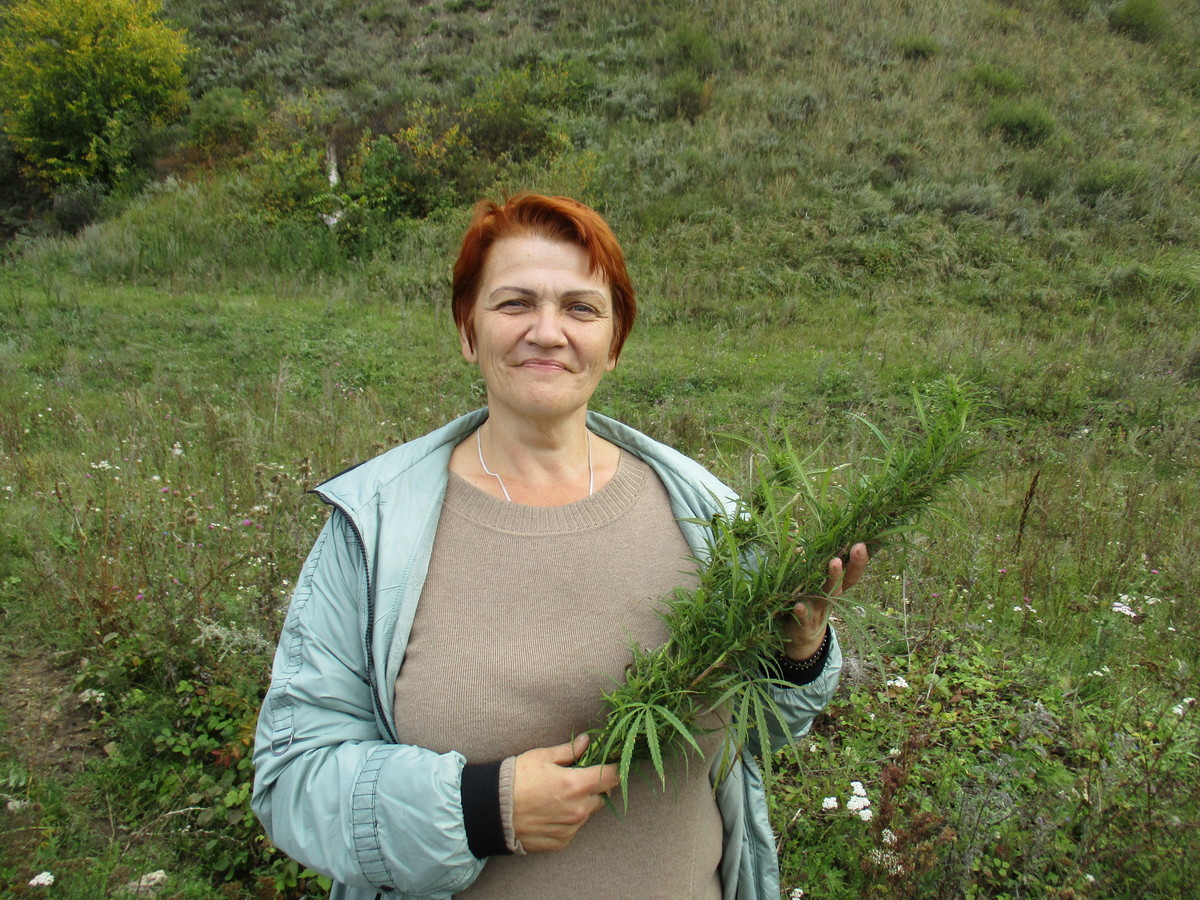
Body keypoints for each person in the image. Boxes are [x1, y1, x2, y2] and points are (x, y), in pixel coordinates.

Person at [251, 193, 868, 900]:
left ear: (615, 343)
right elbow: (294, 779)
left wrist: (799, 656)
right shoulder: (376, 530)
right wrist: (483, 808)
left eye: (581, 308)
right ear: (467, 331)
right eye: (515, 303)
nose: (547, 332)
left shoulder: (703, 512)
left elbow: (757, 732)